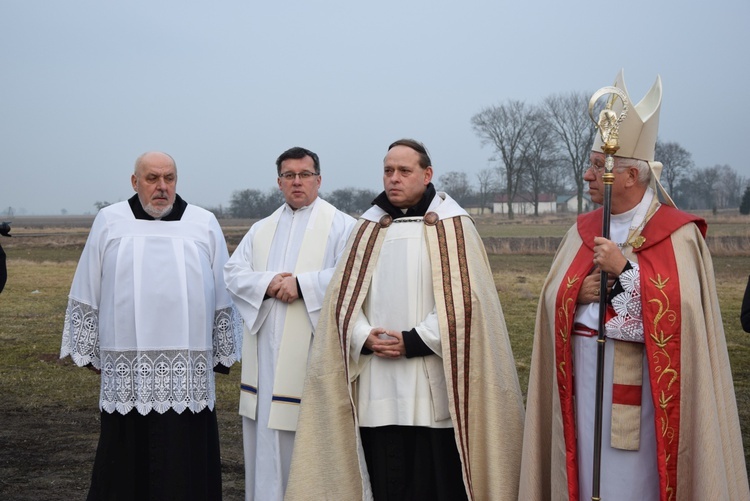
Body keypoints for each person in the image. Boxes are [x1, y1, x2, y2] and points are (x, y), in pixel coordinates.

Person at [519, 70, 749, 500]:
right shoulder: (581, 230)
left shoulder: (678, 234)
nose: (587, 175)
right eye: (589, 164)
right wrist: (575, 293)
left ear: (629, 176)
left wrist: (625, 270)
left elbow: (684, 317)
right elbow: (553, 296)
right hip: (585, 377)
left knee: (635, 483)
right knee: (586, 473)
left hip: (648, 391)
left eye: (596, 166)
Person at [285, 139, 525, 500]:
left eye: (404, 171)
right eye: (388, 170)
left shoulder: (453, 226)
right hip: (376, 380)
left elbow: (465, 301)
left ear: (427, 175)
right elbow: (344, 299)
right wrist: (364, 336)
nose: (393, 178)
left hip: (433, 381)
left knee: (435, 478)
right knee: (385, 476)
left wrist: (414, 340)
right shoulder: (366, 228)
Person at [60, 151, 241, 500]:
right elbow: (88, 284)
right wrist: (91, 348)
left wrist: (221, 351)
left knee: (186, 459)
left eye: (169, 178)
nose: (162, 187)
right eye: (152, 178)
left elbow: (223, 291)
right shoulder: (110, 221)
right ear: (134, 181)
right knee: (126, 461)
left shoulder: (203, 222)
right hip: (127, 369)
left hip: (188, 373)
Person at [223, 146, 355, 501]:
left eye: (305, 175)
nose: (297, 182)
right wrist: (268, 284)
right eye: (289, 176)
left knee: (309, 438)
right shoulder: (261, 229)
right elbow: (233, 273)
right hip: (265, 356)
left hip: (313, 354)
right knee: (266, 437)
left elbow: (353, 277)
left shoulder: (343, 226)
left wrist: (303, 285)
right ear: (279, 182)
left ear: (319, 179)